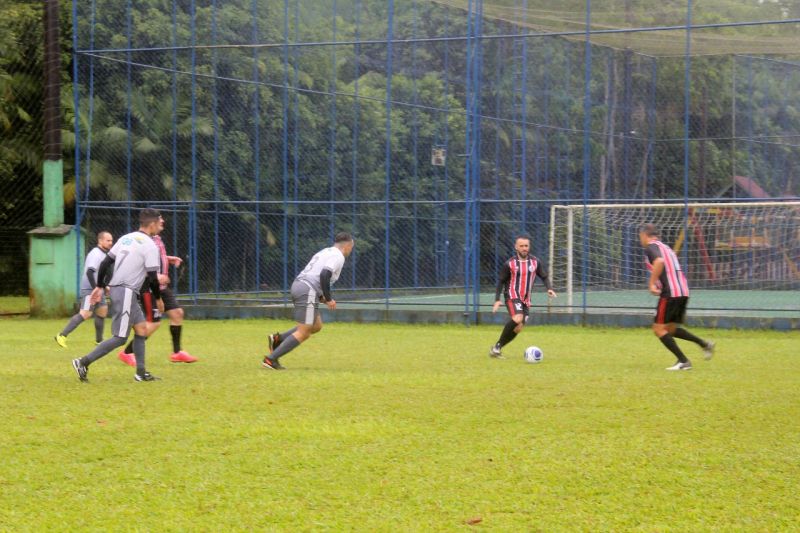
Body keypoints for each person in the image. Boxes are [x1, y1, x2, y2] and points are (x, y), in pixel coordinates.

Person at [71, 208, 164, 382]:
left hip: (122, 290)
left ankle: (141, 373)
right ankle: (83, 362)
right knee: (120, 338)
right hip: (126, 291)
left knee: (141, 329)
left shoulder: (125, 238)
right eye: (160, 221)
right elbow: (152, 278)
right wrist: (158, 299)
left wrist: (100, 285)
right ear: (152, 224)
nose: (162, 224)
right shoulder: (150, 245)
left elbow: (106, 262)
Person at [262, 232, 355, 370]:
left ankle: (278, 339)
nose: (351, 251)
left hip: (300, 286)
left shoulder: (326, 251)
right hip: (307, 289)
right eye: (351, 247)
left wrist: (322, 297)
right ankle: (270, 360)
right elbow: (324, 274)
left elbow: (316, 275)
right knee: (304, 332)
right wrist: (329, 298)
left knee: (316, 325)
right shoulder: (338, 256)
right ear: (347, 246)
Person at [117, 215, 197, 366]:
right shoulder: (143, 240)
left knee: (177, 313)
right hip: (149, 287)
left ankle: (177, 353)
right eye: (160, 218)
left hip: (161, 287)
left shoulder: (156, 238)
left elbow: (156, 256)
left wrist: (168, 258)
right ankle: (127, 352)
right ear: (152, 222)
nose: (163, 221)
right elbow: (137, 261)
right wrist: (155, 275)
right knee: (153, 323)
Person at [639, 223, 715, 371]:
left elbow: (659, 262)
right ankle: (705, 344)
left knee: (658, 329)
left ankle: (683, 361)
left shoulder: (651, 247)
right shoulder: (666, 248)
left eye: (640, 236)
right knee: (671, 329)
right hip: (683, 291)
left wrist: (652, 284)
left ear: (644, 235)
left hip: (670, 292)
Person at [490, 234, 556, 359]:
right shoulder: (510, 264)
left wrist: (549, 288)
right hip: (512, 295)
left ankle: (496, 348)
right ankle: (497, 348)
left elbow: (544, 276)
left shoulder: (535, 262)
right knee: (518, 318)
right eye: (521, 246)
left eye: (526, 246)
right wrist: (497, 299)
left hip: (526, 299)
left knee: (518, 328)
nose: (524, 248)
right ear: (516, 247)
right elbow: (501, 281)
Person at [55, 231, 113, 348]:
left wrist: (103, 286)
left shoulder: (103, 254)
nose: (111, 243)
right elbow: (90, 272)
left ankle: (99, 341)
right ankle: (61, 335)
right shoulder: (96, 254)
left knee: (102, 311)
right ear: (100, 241)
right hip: (90, 289)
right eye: (108, 240)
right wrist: (96, 289)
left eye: (111, 240)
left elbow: (98, 274)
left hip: (98, 289)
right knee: (85, 314)